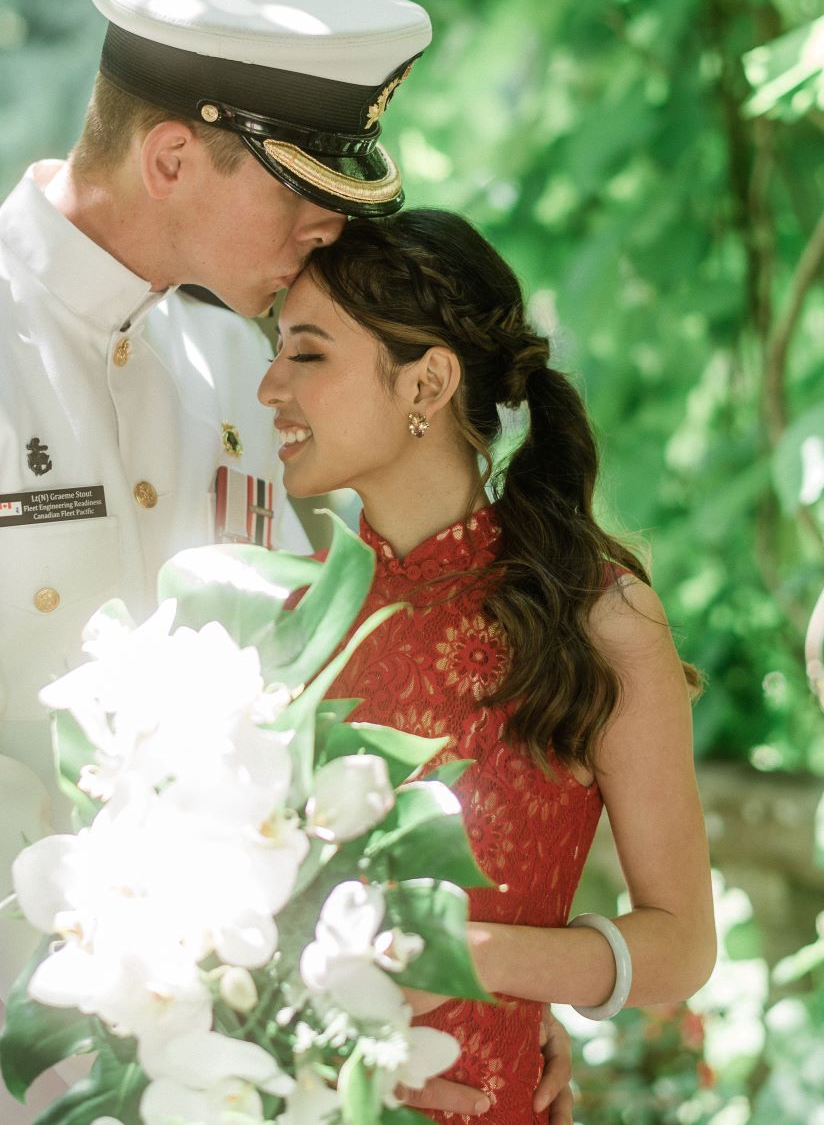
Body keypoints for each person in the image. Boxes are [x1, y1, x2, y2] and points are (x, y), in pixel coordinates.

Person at [0, 0, 459, 1122]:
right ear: (169, 157)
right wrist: (160, 1056)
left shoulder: (235, 372)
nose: (327, 226)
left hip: (211, 1061)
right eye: (298, 185)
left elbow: (318, 705)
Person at [259, 208, 717, 1124]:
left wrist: (485, 956)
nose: (270, 385)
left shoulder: (596, 617)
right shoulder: (290, 616)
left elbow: (682, 945)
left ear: (426, 380)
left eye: (307, 354)